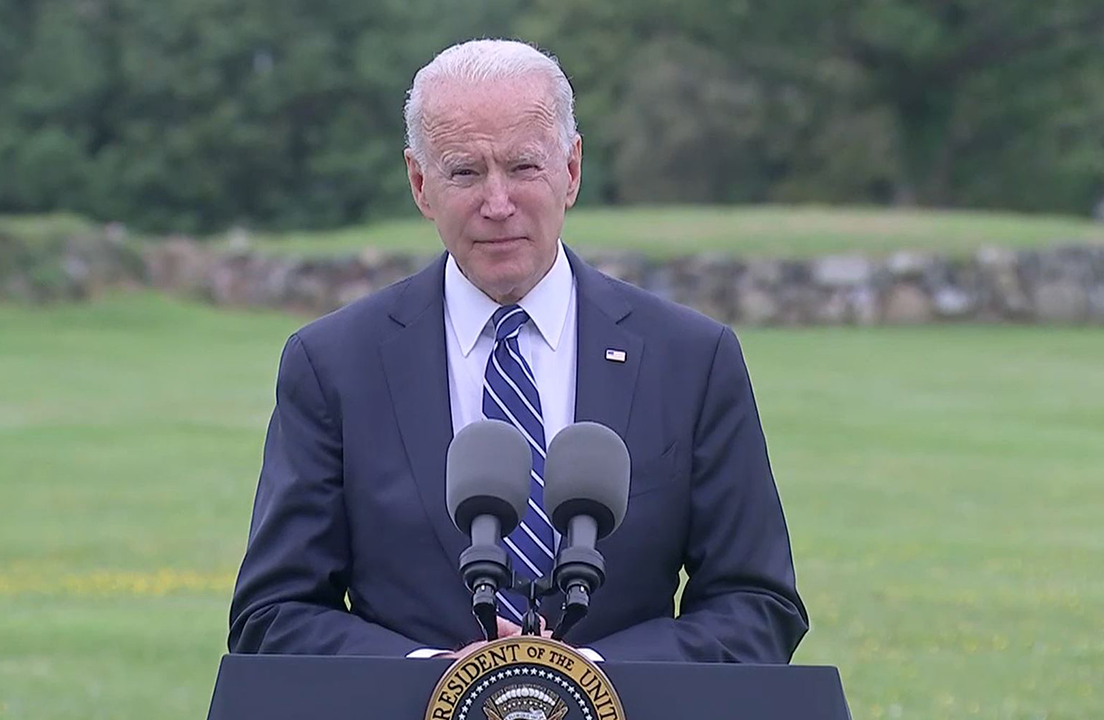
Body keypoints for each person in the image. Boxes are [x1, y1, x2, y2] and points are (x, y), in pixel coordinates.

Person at [227, 39, 807, 662]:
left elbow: (758, 604)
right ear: (420, 184)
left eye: (524, 167)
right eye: (465, 172)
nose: (497, 204)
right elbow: (271, 617)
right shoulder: (333, 365)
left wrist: (588, 678)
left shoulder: (692, 359)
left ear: (572, 171)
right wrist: (436, 682)